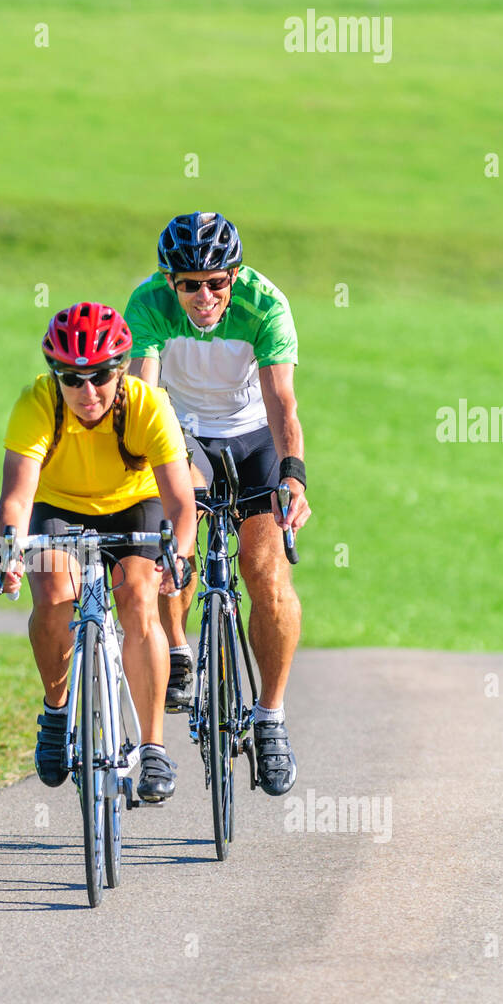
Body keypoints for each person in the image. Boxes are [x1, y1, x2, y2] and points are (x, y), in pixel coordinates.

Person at [123, 212, 310, 797]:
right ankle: (179, 648)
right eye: (189, 284)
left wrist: (293, 477)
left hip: (252, 432)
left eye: (216, 282)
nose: (204, 296)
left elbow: (282, 403)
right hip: (181, 431)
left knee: (265, 573)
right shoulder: (148, 303)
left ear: (234, 276)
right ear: (170, 281)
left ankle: (271, 718)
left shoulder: (264, 304)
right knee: (176, 540)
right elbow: (143, 391)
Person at [0, 301, 197, 803]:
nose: (88, 392)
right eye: (72, 378)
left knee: (138, 599)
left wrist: (181, 554)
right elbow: (17, 498)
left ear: (121, 368)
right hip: (59, 507)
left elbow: (179, 500)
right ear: (55, 375)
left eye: (101, 377)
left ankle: (152, 747)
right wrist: (7, 555)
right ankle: (58, 712)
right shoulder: (37, 404)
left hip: (135, 505)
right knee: (53, 594)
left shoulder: (149, 405)